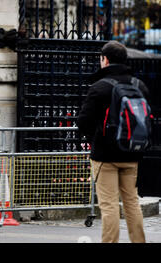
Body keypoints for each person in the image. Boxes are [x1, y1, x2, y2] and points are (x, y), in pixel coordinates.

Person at [78, 41, 149, 243]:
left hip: (104, 156)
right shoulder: (139, 86)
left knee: (109, 206)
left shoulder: (100, 87)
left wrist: (96, 138)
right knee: (132, 203)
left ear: (105, 60)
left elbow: (83, 121)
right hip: (132, 153)